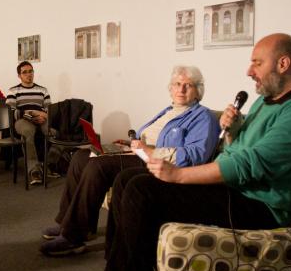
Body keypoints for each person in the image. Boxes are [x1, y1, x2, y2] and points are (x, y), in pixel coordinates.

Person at [85, 33, 291, 271]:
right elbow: (237, 150)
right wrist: (234, 130)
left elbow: (251, 164)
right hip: (236, 189)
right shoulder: (265, 102)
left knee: (142, 190)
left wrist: (178, 175)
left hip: (260, 206)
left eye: (257, 63)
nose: (249, 71)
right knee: (128, 178)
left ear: (283, 63)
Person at [40, 65, 219, 256]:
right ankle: (68, 222)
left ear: (198, 90)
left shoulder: (203, 117)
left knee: (98, 166)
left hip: (156, 164)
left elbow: (194, 156)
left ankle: (73, 237)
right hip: (138, 153)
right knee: (81, 156)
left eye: (188, 85)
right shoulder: (169, 110)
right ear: (170, 88)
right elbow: (149, 138)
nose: (181, 89)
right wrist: (128, 144)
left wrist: (151, 151)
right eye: (177, 84)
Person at [6, 61, 51, 185]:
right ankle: (34, 170)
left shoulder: (43, 90)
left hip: (42, 118)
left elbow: (49, 110)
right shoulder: (13, 91)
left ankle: (49, 164)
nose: (28, 74)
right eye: (24, 72)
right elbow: (10, 112)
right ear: (19, 75)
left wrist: (42, 115)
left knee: (53, 131)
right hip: (22, 120)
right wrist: (31, 115)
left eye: (30, 71)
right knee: (28, 132)